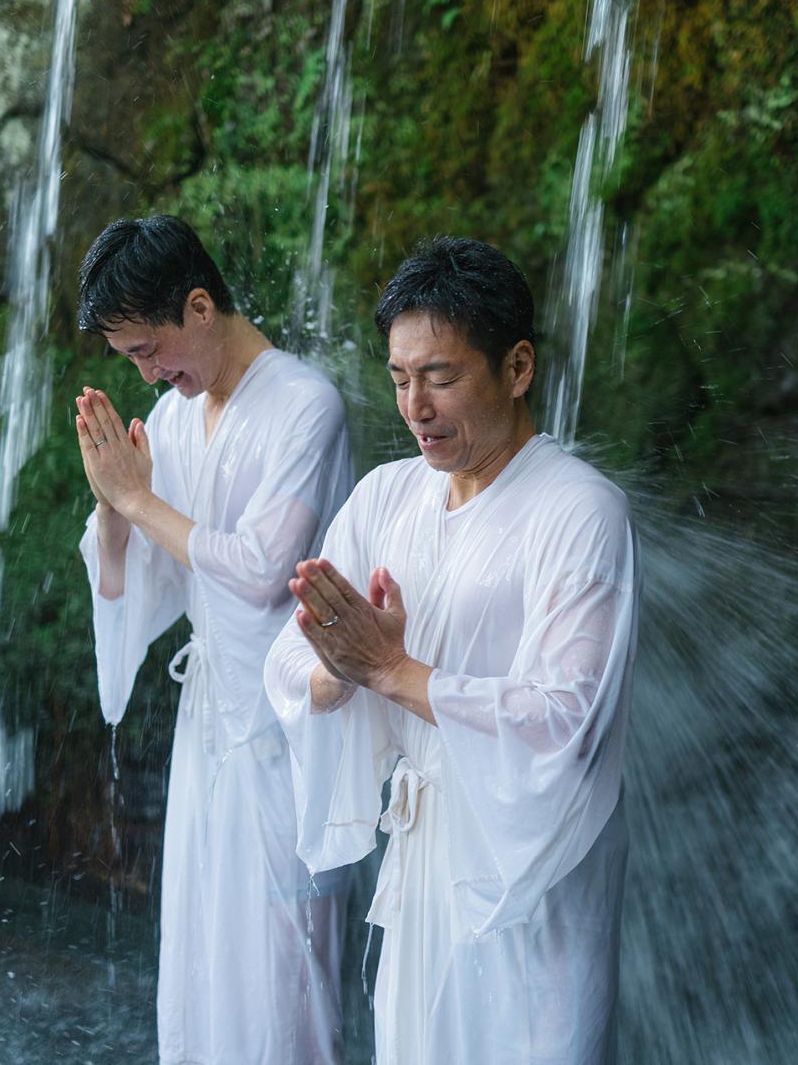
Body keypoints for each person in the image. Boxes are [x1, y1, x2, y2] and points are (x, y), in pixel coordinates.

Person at [264, 236, 639, 1064]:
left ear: (517, 367)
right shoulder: (386, 497)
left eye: (440, 375)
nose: (415, 406)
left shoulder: (581, 512)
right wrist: (339, 672)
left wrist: (394, 672)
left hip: (533, 884)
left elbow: (565, 719)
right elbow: (286, 661)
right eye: (400, 379)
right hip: (423, 865)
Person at [72, 215, 352, 1065]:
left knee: (281, 961)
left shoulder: (308, 405)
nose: (149, 372)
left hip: (291, 722)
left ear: (200, 306)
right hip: (209, 724)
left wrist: (138, 502)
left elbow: (267, 569)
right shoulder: (174, 416)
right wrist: (111, 514)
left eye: (149, 349)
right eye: (130, 359)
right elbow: (148, 582)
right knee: (197, 949)